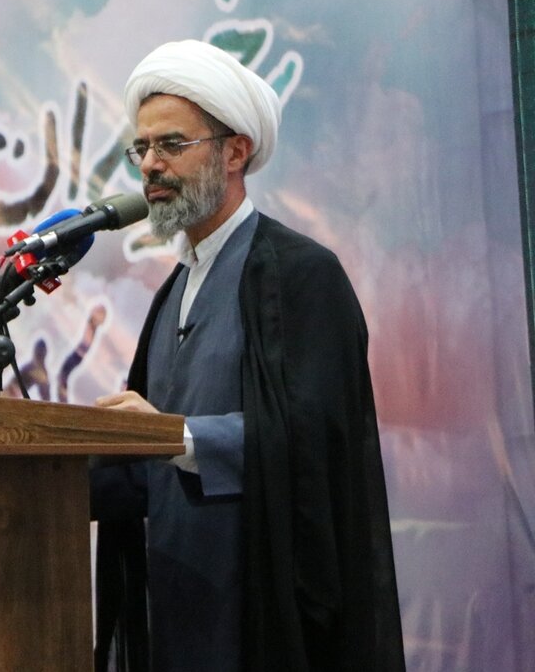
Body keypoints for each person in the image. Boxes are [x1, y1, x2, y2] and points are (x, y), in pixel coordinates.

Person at [89, 40, 404, 671]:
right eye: (141, 148)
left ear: (236, 152)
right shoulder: (174, 291)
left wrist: (173, 435)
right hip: (173, 610)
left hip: (264, 617)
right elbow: (155, 472)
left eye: (171, 144)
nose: (150, 165)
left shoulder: (301, 275)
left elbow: (315, 443)